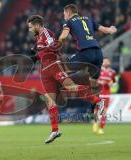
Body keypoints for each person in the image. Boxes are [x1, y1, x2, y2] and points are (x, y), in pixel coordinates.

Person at [27, 15, 103, 144]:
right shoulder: (38, 37)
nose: (29, 29)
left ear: (37, 25)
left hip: (54, 66)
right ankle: (55, 130)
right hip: (44, 71)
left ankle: (98, 101)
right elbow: (44, 52)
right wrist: (36, 57)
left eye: (30, 27)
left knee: (70, 86)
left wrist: (40, 49)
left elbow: (55, 46)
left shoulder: (46, 33)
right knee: (49, 99)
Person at [93, 58, 116, 134]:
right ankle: (95, 123)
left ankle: (101, 128)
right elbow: (94, 80)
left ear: (109, 62)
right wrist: (99, 82)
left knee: (104, 111)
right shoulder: (98, 70)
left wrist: (111, 84)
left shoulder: (112, 72)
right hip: (98, 94)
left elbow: (114, 82)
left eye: (107, 61)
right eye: (105, 61)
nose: (106, 62)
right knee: (96, 110)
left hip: (106, 95)